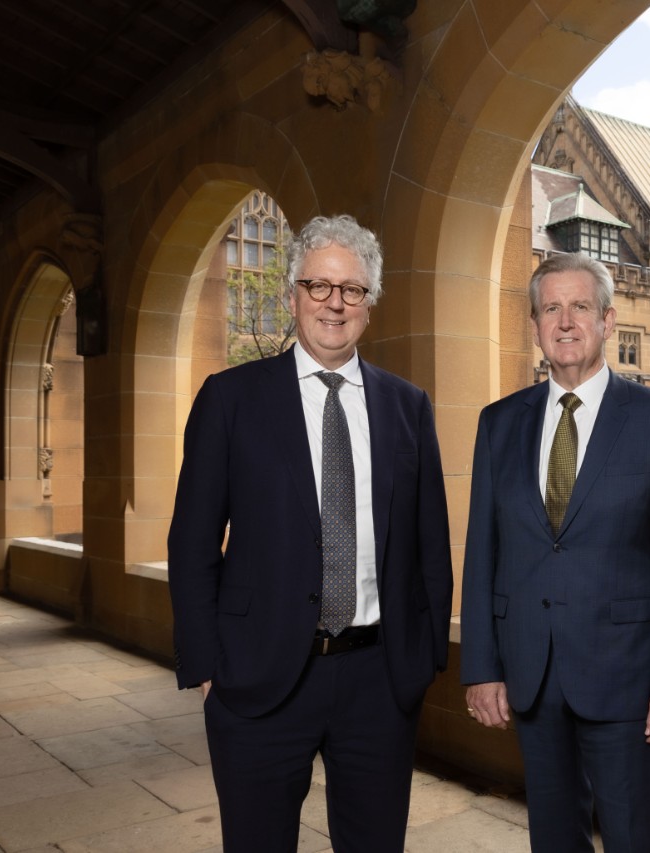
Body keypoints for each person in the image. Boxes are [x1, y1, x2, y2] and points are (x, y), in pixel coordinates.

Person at [168, 213, 453, 853]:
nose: (334, 303)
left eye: (351, 289)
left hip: (379, 679)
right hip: (258, 678)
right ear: (291, 295)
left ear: (370, 304)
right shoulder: (230, 398)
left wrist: (424, 655)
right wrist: (208, 663)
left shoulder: (408, 406)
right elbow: (191, 542)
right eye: (318, 286)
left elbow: (431, 543)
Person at [460, 252, 650, 852]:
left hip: (629, 681)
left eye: (579, 307)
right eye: (551, 308)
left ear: (607, 321)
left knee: (636, 837)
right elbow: (481, 553)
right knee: (553, 838)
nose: (565, 321)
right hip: (533, 677)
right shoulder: (499, 424)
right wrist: (482, 667)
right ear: (536, 325)